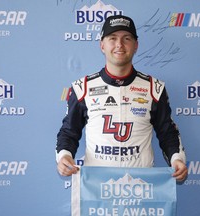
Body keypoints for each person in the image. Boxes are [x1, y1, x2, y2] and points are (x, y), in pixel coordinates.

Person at [56, 15, 188, 181]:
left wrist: (177, 159)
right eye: (113, 38)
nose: (119, 45)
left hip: (140, 186)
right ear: (102, 45)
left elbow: (167, 132)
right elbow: (69, 132)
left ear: (136, 45)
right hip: (96, 187)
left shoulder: (154, 88)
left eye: (127, 38)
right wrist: (64, 155)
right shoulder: (82, 88)